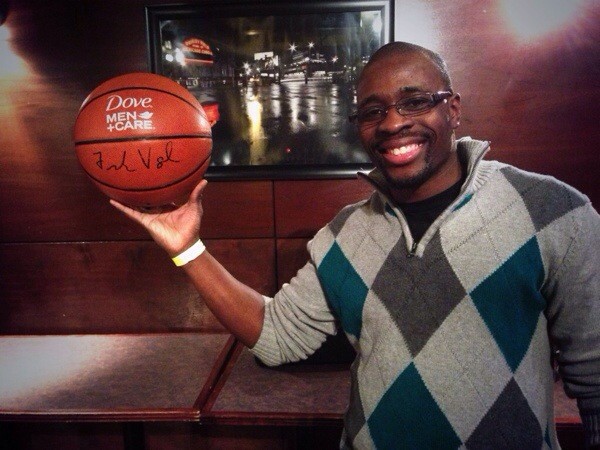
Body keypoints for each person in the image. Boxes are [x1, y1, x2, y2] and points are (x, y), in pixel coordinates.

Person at [112, 42, 600, 449]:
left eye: (414, 101)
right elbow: (279, 337)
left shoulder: (553, 212)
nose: (392, 123)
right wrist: (188, 248)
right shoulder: (344, 235)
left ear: (452, 109)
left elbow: (595, 377)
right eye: (373, 111)